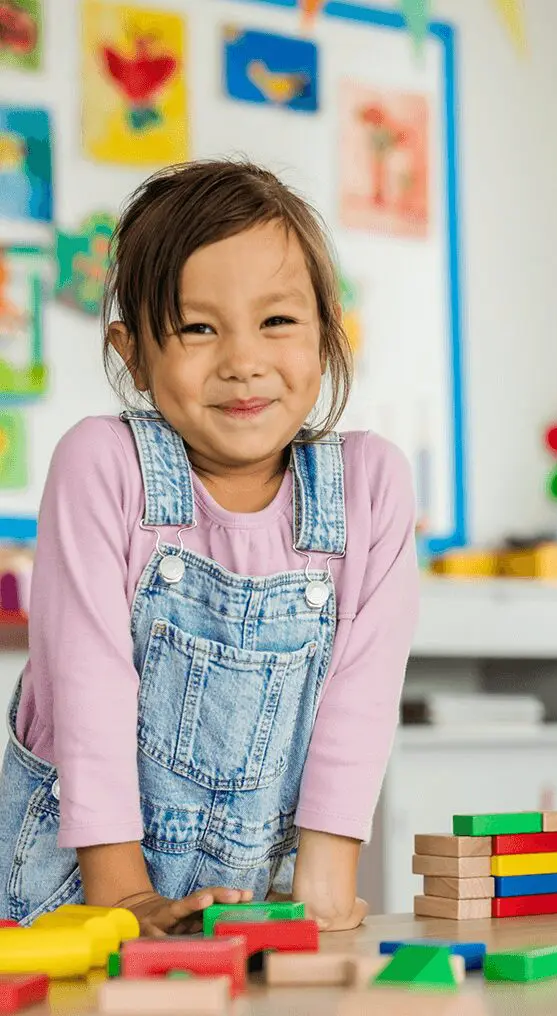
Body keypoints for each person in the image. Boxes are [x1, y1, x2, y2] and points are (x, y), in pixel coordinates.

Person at [0, 160, 418, 934]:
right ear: (132, 352)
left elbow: (358, 709)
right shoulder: (104, 464)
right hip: (68, 901)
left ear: (327, 333)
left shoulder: (371, 486)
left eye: (277, 322)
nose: (242, 361)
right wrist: (123, 901)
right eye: (198, 327)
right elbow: (85, 693)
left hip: (243, 911)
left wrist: (321, 894)